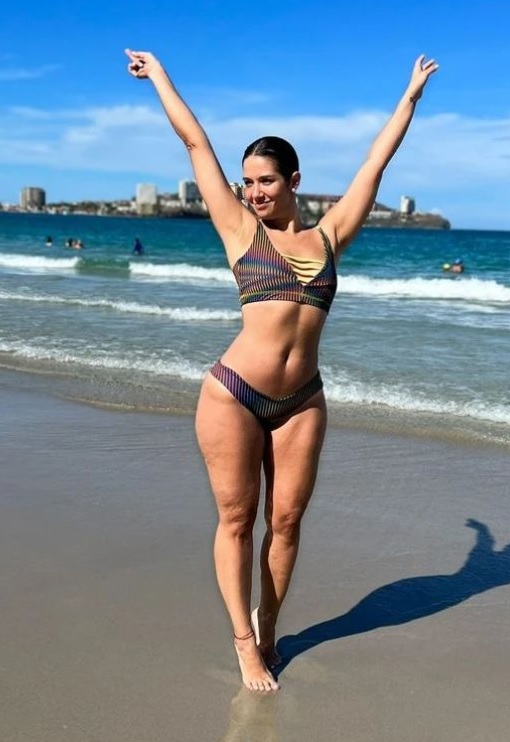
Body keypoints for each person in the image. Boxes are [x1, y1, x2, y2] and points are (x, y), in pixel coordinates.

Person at [125, 47, 438, 692]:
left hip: (302, 401)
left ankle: (268, 627)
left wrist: (409, 98)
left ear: (293, 180)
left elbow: (374, 165)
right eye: (247, 182)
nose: (254, 192)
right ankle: (244, 643)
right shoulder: (241, 231)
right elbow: (195, 143)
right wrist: (159, 76)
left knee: (287, 522)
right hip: (234, 396)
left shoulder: (329, 237)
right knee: (238, 521)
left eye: (265, 181)